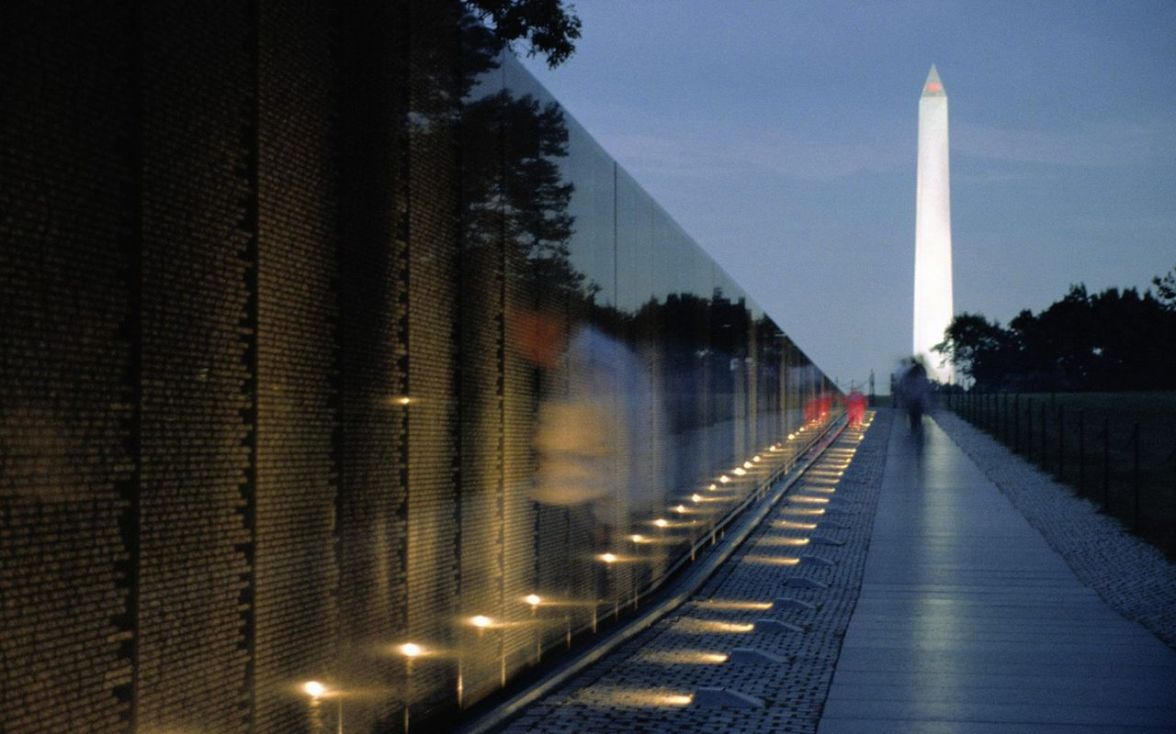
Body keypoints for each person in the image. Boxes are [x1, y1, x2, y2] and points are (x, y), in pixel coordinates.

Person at [898, 361, 930, 433]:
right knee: (918, 418)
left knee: (913, 418)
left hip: (911, 401)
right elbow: (925, 390)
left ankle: (914, 430)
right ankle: (917, 431)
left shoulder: (908, 378)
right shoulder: (922, 379)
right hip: (918, 401)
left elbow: (904, 388)